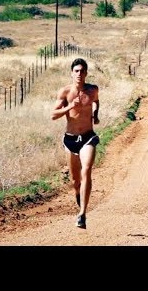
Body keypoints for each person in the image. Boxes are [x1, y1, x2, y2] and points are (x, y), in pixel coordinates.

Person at [51, 58, 99, 229]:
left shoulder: (92, 90)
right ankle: (79, 193)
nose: (79, 74)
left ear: (86, 73)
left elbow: (96, 101)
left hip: (88, 137)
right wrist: (70, 106)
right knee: (75, 180)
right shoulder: (65, 92)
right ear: (72, 73)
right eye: (76, 71)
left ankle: (82, 214)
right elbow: (53, 115)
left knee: (86, 170)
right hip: (71, 139)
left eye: (82, 71)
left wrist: (96, 114)